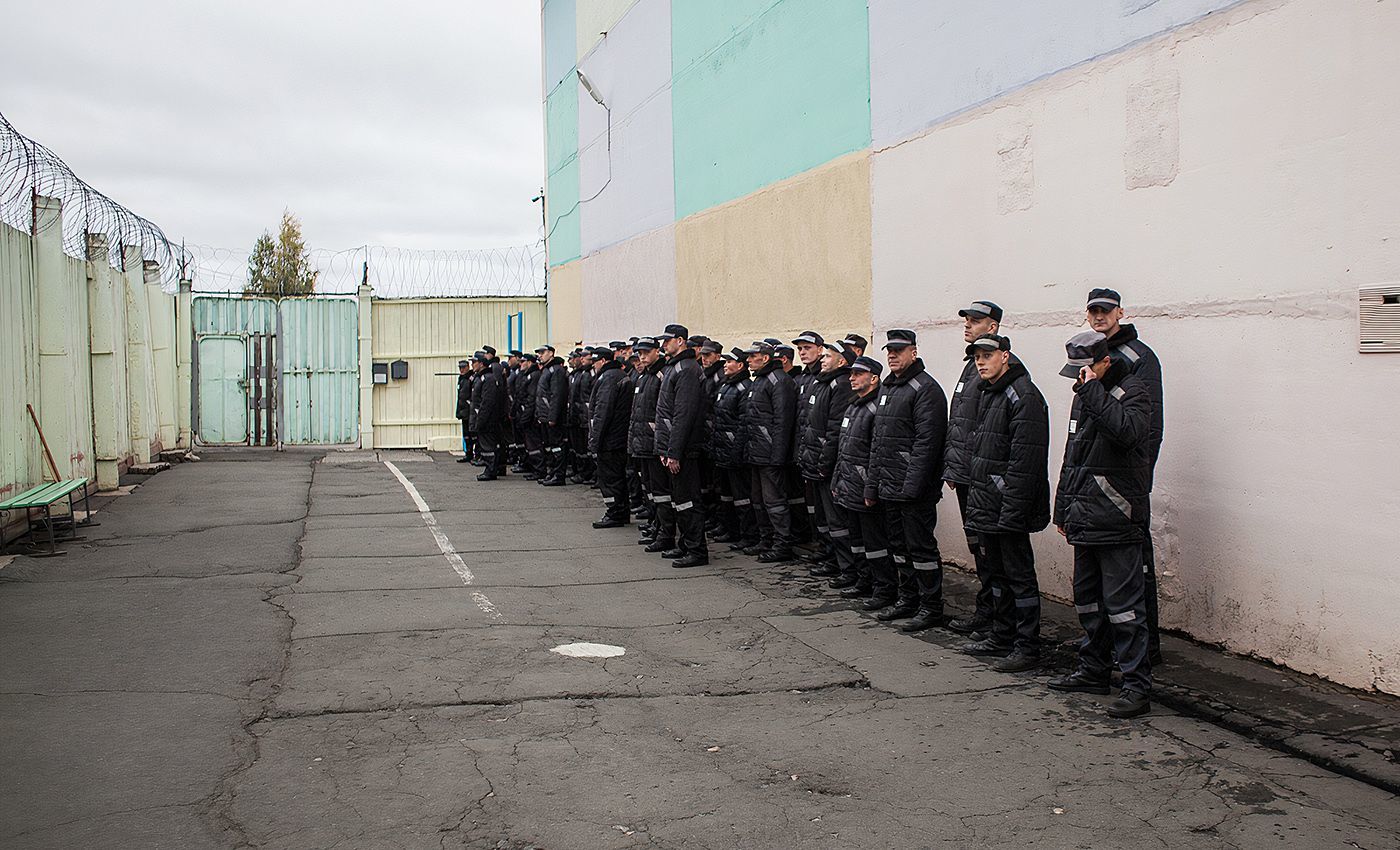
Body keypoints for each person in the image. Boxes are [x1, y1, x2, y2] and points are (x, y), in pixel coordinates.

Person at [1048, 330, 1154, 719]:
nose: (1079, 377)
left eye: (1086, 369)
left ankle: (1136, 686)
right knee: (1088, 601)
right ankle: (1093, 669)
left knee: (1125, 610)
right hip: (1085, 517)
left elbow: (1127, 434)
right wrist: (1062, 509)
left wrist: (1093, 393)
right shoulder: (1084, 395)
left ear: (1104, 361)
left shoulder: (1133, 391)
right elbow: (1073, 457)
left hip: (1116, 517)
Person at [958, 333, 1050, 672]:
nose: (981, 361)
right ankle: (1002, 633)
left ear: (1005, 356)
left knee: (1019, 576)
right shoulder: (990, 393)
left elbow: (1025, 463)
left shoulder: (1022, 395)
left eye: (987, 355)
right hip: (988, 502)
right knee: (995, 574)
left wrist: (1011, 512)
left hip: (1008, 506)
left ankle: (1027, 646)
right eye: (977, 356)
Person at [1085, 288, 1165, 665]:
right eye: (1093, 312)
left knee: (1136, 574)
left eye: (1105, 311)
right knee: (1101, 581)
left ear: (1120, 312)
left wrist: (1139, 480)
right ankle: (1106, 648)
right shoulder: (1089, 353)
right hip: (1096, 484)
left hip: (1125, 485)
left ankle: (1145, 651)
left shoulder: (1139, 357)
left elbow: (1148, 425)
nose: (1099, 317)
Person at [868, 328, 949, 632]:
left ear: (913, 352)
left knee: (921, 549)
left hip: (914, 490)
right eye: (889, 351)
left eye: (898, 351)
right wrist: (873, 483)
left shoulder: (925, 388)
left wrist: (912, 488)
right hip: (890, 485)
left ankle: (931, 606)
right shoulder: (888, 387)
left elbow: (927, 444)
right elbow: (879, 441)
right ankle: (908, 598)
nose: (892, 355)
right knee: (898, 547)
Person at [944, 300, 1004, 636]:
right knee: (978, 548)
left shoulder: (994, 367)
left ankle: (996, 616)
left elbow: (988, 428)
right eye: (966, 319)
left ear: (993, 327)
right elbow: (962, 423)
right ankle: (987, 610)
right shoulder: (972, 365)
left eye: (976, 320)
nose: (968, 324)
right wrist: (954, 467)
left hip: (983, 479)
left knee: (990, 550)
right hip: (966, 474)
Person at [829, 356, 889, 602]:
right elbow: (843, 450)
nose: (851, 378)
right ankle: (864, 580)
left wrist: (870, 488)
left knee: (875, 542)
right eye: (851, 374)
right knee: (857, 540)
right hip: (847, 485)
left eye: (858, 374)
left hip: (864, 487)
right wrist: (836, 480)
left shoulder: (876, 409)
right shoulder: (853, 406)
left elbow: (877, 453)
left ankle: (883, 587)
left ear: (873, 378)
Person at [798, 341, 858, 588]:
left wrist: (824, 462)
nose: (822, 359)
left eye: (827, 356)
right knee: (823, 517)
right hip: (814, 461)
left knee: (837, 521)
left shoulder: (841, 384)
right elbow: (809, 424)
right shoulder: (821, 383)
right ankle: (832, 559)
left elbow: (835, 429)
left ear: (842, 361)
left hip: (828, 464)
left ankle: (847, 567)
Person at [654, 326, 710, 568]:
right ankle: (686, 544)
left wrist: (674, 452)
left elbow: (683, 415)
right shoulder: (676, 367)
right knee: (680, 500)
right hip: (674, 447)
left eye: (667, 340)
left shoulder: (687, 369)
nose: (664, 344)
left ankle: (697, 551)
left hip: (684, 449)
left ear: (680, 340)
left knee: (688, 501)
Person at [742, 341, 798, 562]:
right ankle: (766, 540)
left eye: (752, 356)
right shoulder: (760, 381)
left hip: (770, 455)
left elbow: (782, 422)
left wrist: (777, 456)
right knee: (758, 500)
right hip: (757, 452)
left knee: (774, 502)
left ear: (765, 358)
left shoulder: (779, 381)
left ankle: (783, 544)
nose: (748, 360)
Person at [792, 332, 835, 575]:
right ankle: (822, 546)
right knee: (816, 508)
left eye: (807, 347)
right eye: (800, 348)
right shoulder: (806, 377)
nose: (803, 352)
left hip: (820, 454)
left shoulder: (826, 377)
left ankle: (830, 552)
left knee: (828, 511)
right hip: (807, 451)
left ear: (820, 350)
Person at [628, 338, 670, 551]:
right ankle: (656, 525)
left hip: (654, 443)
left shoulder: (661, 375)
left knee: (661, 492)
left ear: (657, 352)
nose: (642, 357)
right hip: (642, 442)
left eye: (645, 353)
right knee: (650, 490)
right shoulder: (644, 376)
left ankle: (665, 532)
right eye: (639, 354)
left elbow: (663, 413)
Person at [710, 348, 755, 547]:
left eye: (730, 362)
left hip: (734, 452)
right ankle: (730, 528)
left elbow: (744, 424)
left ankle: (748, 535)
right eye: (726, 361)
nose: (726, 365)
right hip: (722, 451)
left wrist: (737, 452)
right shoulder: (725, 386)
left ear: (741, 365)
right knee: (725, 494)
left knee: (742, 498)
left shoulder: (744, 387)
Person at [588, 346, 633, 528]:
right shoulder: (618, 376)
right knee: (617, 477)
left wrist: (594, 441)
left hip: (610, 439)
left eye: (595, 362)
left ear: (603, 361)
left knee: (610, 478)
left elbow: (602, 412)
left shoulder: (608, 378)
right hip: (618, 437)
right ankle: (620, 511)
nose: (593, 365)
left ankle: (615, 512)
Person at [534, 344, 569, 486]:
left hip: (552, 418)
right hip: (544, 416)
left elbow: (557, 395)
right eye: (539, 353)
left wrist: (552, 417)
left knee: (557, 447)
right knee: (549, 447)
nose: (540, 355)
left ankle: (559, 475)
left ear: (551, 353)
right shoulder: (546, 370)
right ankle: (552, 472)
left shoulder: (556, 371)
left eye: (542, 352)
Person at [475, 349, 509, 481]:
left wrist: (481, 419)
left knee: (489, 445)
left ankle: (491, 469)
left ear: (481, 363)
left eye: (475, 362)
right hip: (489, 416)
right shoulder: (483, 377)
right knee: (491, 444)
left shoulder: (487, 378)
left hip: (489, 418)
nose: (473, 365)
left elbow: (486, 402)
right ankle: (493, 467)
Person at [516, 352, 544, 479]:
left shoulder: (534, 376)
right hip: (526, 414)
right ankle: (535, 468)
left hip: (531, 416)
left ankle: (539, 470)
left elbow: (531, 399)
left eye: (523, 362)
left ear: (530, 362)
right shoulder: (527, 375)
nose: (521, 364)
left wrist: (526, 417)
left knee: (534, 444)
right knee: (530, 444)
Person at [454, 358, 474, 464]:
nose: (461, 370)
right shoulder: (461, 379)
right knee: (466, 434)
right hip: (463, 410)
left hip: (469, 410)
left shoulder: (470, 378)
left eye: (463, 368)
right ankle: (469, 453)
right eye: (460, 368)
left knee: (472, 434)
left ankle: (475, 454)